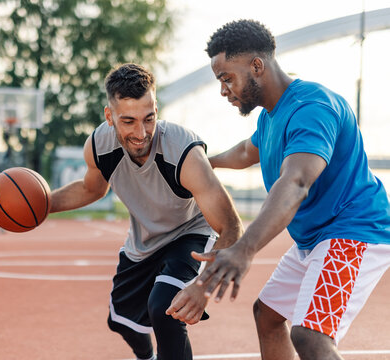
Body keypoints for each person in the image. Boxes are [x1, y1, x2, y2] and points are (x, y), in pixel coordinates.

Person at [167, 19, 390, 360]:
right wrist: (203, 163)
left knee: (311, 337)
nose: (224, 89)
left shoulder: (312, 108)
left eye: (227, 78)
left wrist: (244, 249)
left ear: (257, 66)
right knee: (267, 316)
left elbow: (296, 182)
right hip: (315, 238)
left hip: (352, 232)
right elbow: (245, 152)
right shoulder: (270, 116)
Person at [49, 63, 243, 360]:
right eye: (128, 121)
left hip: (189, 232)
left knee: (165, 308)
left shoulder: (183, 152)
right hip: (143, 242)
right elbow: (92, 189)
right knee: (121, 322)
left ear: (156, 110)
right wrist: (45, 204)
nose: (141, 133)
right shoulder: (99, 146)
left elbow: (230, 226)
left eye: (149, 118)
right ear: (109, 116)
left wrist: (202, 288)